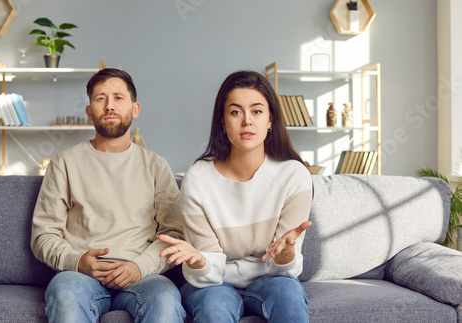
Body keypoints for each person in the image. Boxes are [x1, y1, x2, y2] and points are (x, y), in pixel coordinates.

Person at [31, 68, 186, 323]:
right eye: (100, 98)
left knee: (165, 297)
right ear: (89, 111)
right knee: (65, 292)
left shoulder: (157, 166)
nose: (110, 106)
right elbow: (43, 235)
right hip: (80, 277)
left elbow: (175, 235)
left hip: (143, 277)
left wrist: (139, 267)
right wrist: (77, 261)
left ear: (135, 109)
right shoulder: (64, 164)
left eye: (118, 98)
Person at [159, 70, 313, 322]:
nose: (247, 121)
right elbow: (208, 271)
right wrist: (199, 260)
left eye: (257, 111)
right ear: (222, 121)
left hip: (270, 279)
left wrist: (286, 255)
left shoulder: (294, 176)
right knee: (213, 306)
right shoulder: (198, 178)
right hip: (213, 283)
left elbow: (283, 271)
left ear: (271, 119)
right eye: (235, 112)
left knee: (288, 295)